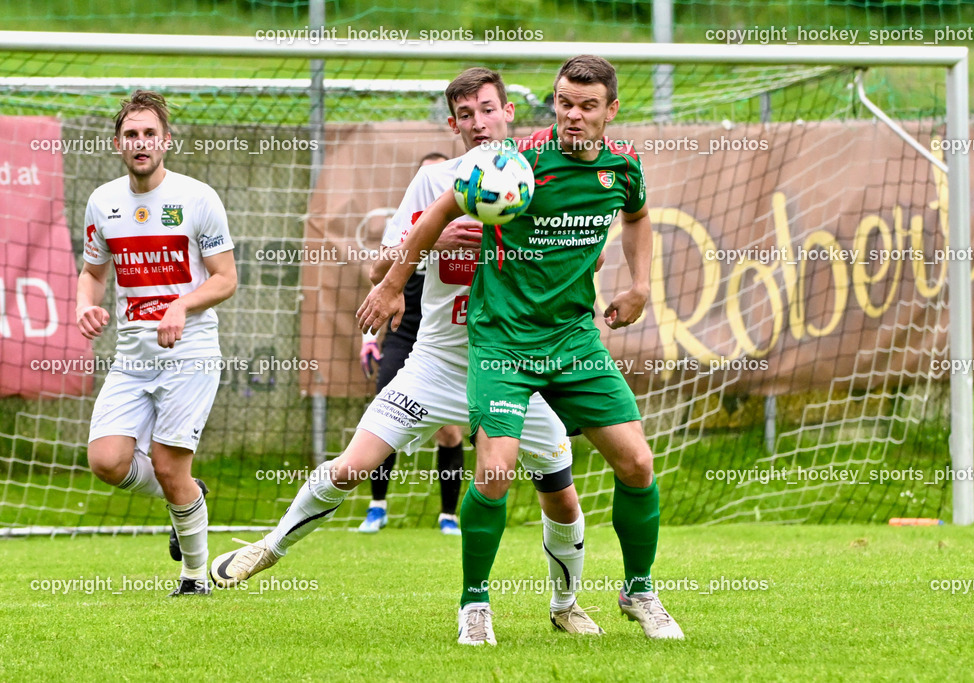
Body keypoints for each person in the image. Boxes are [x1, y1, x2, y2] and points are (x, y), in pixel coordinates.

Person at [212, 68, 602, 639]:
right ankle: (268, 547)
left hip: (511, 367)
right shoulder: (436, 182)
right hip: (437, 361)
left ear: (509, 113)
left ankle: (565, 605)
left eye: (488, 110)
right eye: (465, 115)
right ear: (452, 124)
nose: (478, 123)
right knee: (352, 466)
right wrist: (428, 237)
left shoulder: (538, 175)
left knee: (560, 495)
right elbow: (380, 267)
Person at [357, 55, 684, 643]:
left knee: (636, 462)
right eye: (564, 103)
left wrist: (639, 286)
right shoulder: (519, 162)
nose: (573, 116)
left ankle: (639, 592)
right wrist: (389, 283)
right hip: (503, 339)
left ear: (611, 110)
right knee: (497, 470)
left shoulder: (622, 167)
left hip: (573, 339)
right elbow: (438, 212)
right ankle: (474, 605)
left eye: (587, 106)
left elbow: (636, 218)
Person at [77, 90, 237, 596]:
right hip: (131, 357)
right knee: (106, 460)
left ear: (166, 141)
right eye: (131, 134)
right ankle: (189, 495)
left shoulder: (197, 198)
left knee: (169, 466)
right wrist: (86, 304)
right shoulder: (103, 202)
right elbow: (92, 272)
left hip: (189, 356)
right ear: (118, 143)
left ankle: (194, 577)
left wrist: (181, 305)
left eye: (149, 133)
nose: (140, 142)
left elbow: (226, 278)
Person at [357, 152, 465, 536]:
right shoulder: (410, 222)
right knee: (386, 417)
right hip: (404, 334)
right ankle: (376, 507)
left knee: (450, 432)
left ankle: (449, 515)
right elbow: (379, 276)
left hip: (444, 339)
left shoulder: (473, 217)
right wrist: (368, 339)